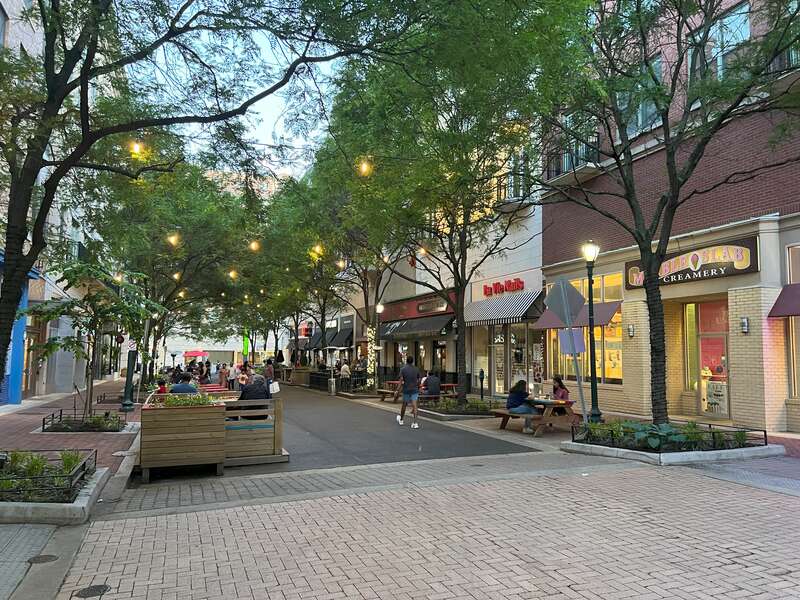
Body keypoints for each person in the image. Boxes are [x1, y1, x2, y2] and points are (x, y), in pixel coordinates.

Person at [396, 356, 421, 429]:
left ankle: (401, 420)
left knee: (404, 404)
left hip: (406, 389)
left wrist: (397, 390)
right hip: (414, 389)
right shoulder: (416, 369)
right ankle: (415, 423)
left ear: (406, 361)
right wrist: (418, 385)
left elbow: (401, 380)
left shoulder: (403, 369)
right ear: (412, 361)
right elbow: (419, 379)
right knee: (415, 405)